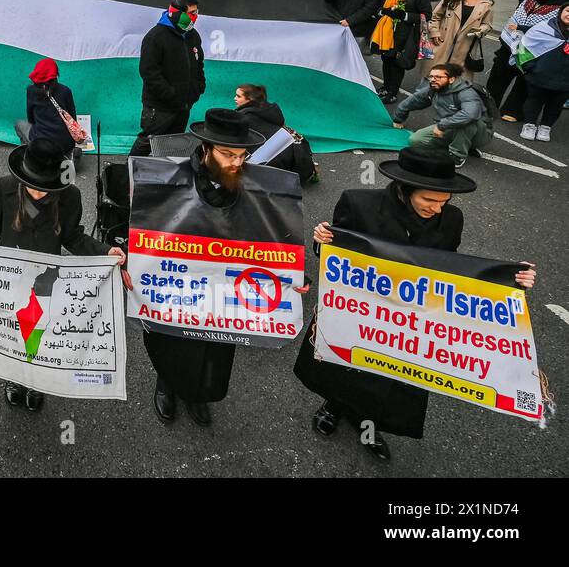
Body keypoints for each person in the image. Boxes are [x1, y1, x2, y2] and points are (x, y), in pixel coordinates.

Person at [297, 149, 535, 462]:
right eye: (430, 201)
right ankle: (334, 405)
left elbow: (452, 272)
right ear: (405, 189)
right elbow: (336, 256)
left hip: (409, 322)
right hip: (363, 311)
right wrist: (321, 241)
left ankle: (367, 425)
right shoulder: (358, 204)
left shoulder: (452, 219)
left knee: (387, 379)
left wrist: (510, 280)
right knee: (347, 366)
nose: (438, 209)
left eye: (444, 201)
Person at [0, 138, 129, 412]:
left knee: (38, 330)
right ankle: (15, 378)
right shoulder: (6, 186)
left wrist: (106, 252)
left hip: (47, 280)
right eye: (32, 186)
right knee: (12, 328)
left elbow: (73, 238)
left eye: (43, 188)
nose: (37, 192)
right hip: (9, 276)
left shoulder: (70, 197)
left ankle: (34, 380)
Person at [145, 109, 267, 426]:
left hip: (223, 289)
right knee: (172, 340)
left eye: (242, 155)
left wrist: (287, 278)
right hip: (177, 284)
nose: (237, 163)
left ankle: (198, 393)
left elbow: (267, 236)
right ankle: (167, 383)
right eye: (228, 154)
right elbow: (149, 229)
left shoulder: (255, 185)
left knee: (212, 349)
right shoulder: (171, 180)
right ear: (205, 149)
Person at [131, 0, 204, 156]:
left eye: (196, 12)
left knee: (173, 144)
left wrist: (198, 88)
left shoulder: (193, 35)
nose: (195, 16)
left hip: (184, 105)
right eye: (192, 12)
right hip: (160, 106)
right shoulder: (155, 36)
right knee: (148, 141)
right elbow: (149, 72)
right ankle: (128, 175)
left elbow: (199, 63)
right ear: (178, 13)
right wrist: (170, 95)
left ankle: (166, 177)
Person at [487, 0, 567, 122]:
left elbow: (547, 30)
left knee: (523, 82)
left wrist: (521, 29)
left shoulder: (559, 10)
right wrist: (514, 32)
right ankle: (488, 106)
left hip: (533, 51)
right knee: (498, 77)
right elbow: (513, 21)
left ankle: (513, 110)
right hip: (509, 46)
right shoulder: (528, 1)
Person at [391, 62, 493, 166]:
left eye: (438, 77)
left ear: (452, 79)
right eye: (431, 76)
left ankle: (457, 156)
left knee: (466, 121)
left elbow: (470, 114)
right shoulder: (434, 88)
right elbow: (413, 100)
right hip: (448, 127)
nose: (433, 80)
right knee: (415, 141)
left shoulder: (466, 93)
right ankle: (462, 146)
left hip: (479, 133)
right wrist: (398, 118)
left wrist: (441, 126)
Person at [370, 0, 431, 102]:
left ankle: (392, 92)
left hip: (406, 34)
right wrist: (384, 12)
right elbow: (378, 8)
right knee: (386, 60)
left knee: (397, 63)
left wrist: (405, 15)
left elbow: (426, 16)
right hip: (386, 33)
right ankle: (385, 87)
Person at [233, 84, 316, 181]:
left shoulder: (246, 118)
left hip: (274, 165)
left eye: (238, 96)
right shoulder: (269, 110)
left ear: (250, 99)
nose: (235, 98)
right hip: (293, 162)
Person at [516, 2, 569, 142]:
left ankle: (546, 127)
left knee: (556, 105)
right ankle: (529, 125)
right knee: (534, 100)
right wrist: (530, 67)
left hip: (565, 80)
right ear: (561, 12)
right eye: (568, 10)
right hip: (540, 74)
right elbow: (525, 45)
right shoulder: (544, 28)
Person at [17, 57, 82, 159]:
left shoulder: (31, 90)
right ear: (56, 74)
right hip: (65, 144)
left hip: (42, 144)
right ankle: (68, 157)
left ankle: (30, 156)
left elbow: (30, 118)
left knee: (19, 124)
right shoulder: (66, 91)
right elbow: (72, 118)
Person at [427, 0, 493, 72]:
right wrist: (434, 32)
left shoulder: (486, 5)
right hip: (443, 39)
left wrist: (481, 30)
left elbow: (487, 24)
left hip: (466, 43)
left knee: (456, 76)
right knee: (434, 73)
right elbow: (435, 16)